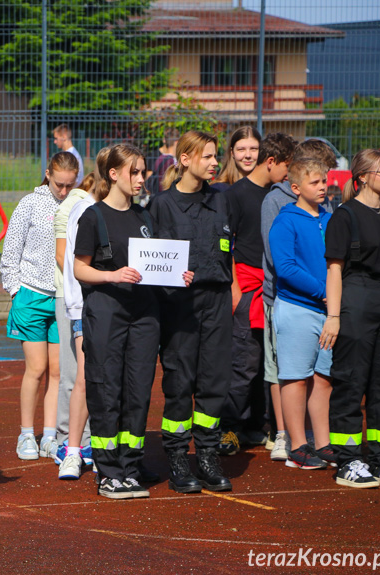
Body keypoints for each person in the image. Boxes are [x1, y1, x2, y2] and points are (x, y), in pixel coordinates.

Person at [74, 143, 186, 500]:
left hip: (144, 314)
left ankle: (130, 463)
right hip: (107, 311)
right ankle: (108, 470)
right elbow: (78, 268)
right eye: (134, 172)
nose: (140, 179)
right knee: (106, 387)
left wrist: (176, 275)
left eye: (143, 172)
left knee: (137, 390)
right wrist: (112, 276)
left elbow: (155, 264)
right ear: (114, 174)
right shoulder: (93, 216)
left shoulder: (145, 217)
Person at [150, 131, 232, 493]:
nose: (215, 163)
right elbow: (152, 264)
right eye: (208, 157)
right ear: (184, 159)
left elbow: (229, 253)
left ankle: (208, 456)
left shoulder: (221, 201)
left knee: (214, 384)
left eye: (216, 157)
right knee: (179, 384)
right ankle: (179, 458)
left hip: (216, 302)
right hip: (179, 306)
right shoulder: (161, 205)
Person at [323, 149, 380, 488]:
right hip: (356, 296)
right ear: (363, 176)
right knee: (351, 381)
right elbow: (335, 269)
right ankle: (349, 459)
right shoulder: (346, 215)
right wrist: (334, 317)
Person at [219, 132, 296, 456]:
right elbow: (227, 244)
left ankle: (257, 425)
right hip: (247, 287)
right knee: (245, 360)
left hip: (274, 289)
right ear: (272, 162)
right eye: (288, 167)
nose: (291, 175)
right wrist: (235, 286)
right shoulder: (236, 194)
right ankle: (229, 428)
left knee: (270, 363)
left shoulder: (280, 194)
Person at [260, 138, 337, 461]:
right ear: (295, 187)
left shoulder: (329, 217)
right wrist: (324, 291)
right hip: (297, 308)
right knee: (295, 378)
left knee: (323, 379)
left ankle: (322, 443)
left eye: (324, 181)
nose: (323, 187)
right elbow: (286, 267)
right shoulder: (286, 219)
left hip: (326, 310)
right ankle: (297, 446)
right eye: (315, 182)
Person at [1, 152, 77, 461]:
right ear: (47, 174)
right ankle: (25, 434)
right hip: (31, 295)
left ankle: (49, 435)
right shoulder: (29, 204)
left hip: (61, 297)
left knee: (58, 371)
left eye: (70, 185)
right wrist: (15, 288)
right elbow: (12, 248)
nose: (63, 191)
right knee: (36, 368)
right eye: (59, 184)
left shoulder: (76, 205)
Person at [53, 173, 94, 479]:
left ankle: (90, 441)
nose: (64, 190)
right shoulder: (77, 208)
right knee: (73, 374)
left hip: (105, 304)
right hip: (74, 299)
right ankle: (69, 442)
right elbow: (65, 258)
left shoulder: (132, 211)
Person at [212, 126, 262, 193]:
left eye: (253, 149)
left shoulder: (269, 190)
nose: (248, 155)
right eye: (241, 149)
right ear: (232, 153)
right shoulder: (219, 190)